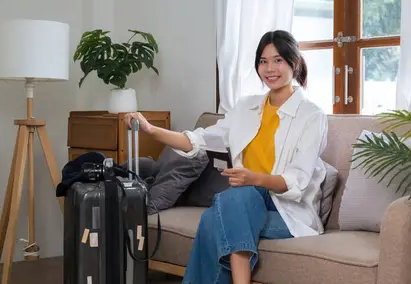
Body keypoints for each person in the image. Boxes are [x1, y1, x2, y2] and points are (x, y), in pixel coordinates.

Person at [124, 30, 328, 284]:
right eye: (263, 62)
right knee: (231, 202)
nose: (270, 68)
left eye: (278, 60)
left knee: (218, 214)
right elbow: (199, 140)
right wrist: (151, 130)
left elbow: (296, 181)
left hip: (288, 210)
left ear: (294, 62)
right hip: (244, 199)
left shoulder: (312, 116)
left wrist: (253, 178)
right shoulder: (246, 108)